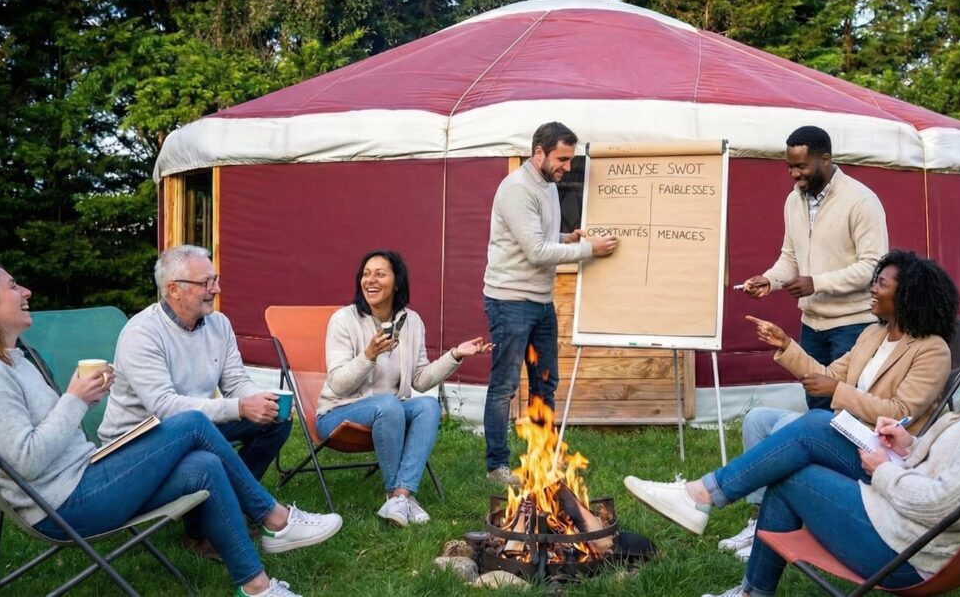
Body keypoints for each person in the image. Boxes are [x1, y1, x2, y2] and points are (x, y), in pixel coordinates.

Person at [624, 277, 960, 597]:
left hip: (911, 546)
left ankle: (714, 518)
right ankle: (705, 501)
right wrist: (909, 448)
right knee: (812, 428)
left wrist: (886, 470)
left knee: (795, 469)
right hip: (910, 507)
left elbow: (943, 504)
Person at [0, 262, 346, 597]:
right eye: (13, 286)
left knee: (203, 463)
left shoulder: (12, 359)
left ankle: (256, 587)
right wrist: (75, 400)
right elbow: (26, 461)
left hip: (84, 475)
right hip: (63, 505)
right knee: (192, 425)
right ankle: (276, 519)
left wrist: (79, 399)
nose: (26, 293)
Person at [719, 249, 959, 561]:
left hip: (880, 448)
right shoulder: (873, 334)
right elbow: (830, 376)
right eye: (874, 281)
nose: (872, 289)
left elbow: (901, 412)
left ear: (907, 295)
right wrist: (786, 345)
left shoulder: (932, 350)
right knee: (758, 419)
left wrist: (839, 392)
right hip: (846, 428)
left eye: (881, 284)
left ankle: (760, 518)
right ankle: (757, 519)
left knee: (788, 427)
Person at [100, 245, 308, 557]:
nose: (217, 289)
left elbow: (235, 379)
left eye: (216, 279)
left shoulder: (219, 324)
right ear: (174, 289)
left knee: (274, 422)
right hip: (138, 442)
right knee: (198, 438)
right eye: (206, 283)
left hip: (194, 426)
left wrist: (261, 400)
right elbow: (165, 407)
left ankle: (232, 506)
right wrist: (239, 408)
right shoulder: (142, 333)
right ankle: (201, 530)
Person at [482, 121, 619, 485]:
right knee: (505, 384)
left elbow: (541, 236)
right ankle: (497, 466)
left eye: (570, 159)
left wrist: (567, 236)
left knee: (545, 382)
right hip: (510, 300)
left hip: (540, 300)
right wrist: (588, 249)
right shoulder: (516, 189)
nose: (567, 167)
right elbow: (536, 251)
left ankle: (541, 457)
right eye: (562, 158)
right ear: (538, 153)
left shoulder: (546, 185)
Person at [319, 250, 493, 526]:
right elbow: (338, 385)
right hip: (338, 414)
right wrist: (369, 355)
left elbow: (420, 380)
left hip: (389, 413)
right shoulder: (344, 320)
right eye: (366, 274)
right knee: (388, 404)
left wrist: (456, 354)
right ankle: (393, 496)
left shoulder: (411, 322)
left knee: (427, 405)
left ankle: (402, 495)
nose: (370, 280)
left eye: (379, 274)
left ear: (397, 282)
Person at [740, 125, 888, 411]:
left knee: (847, 407)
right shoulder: (793, 201)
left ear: (825, 159)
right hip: (812, 325)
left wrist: (817, 283)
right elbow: (790, 257)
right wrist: (770, 280)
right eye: (790, 167)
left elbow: (874, 267)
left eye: (801, 166)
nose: (794, 174)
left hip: (854, 325)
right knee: (817, 405)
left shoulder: (861, 201)